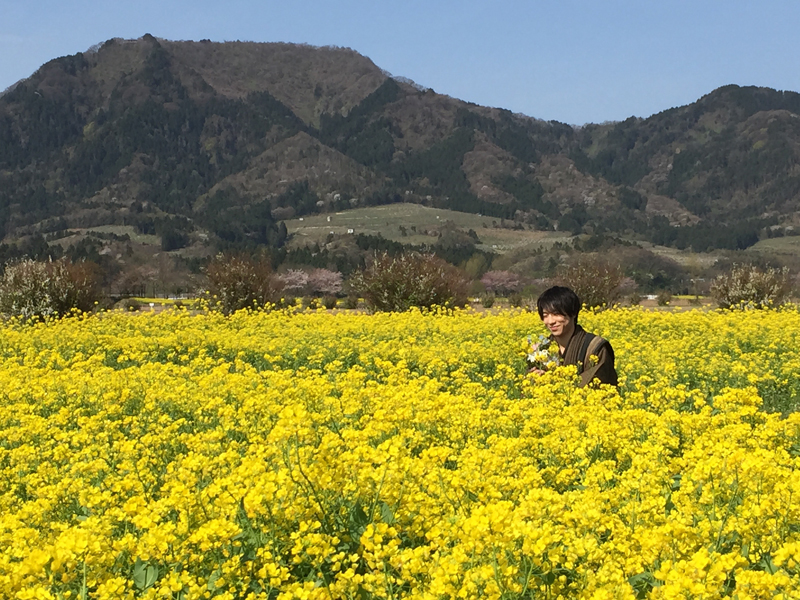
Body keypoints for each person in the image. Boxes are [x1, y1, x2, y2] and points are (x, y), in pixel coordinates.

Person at [533, 286, 618, 387]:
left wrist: (552, 383)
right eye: (545, 315)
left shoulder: (595, 348)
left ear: (573, 313)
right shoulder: (542, 348)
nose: (551, 321)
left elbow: (597, 385)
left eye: (556, 314)